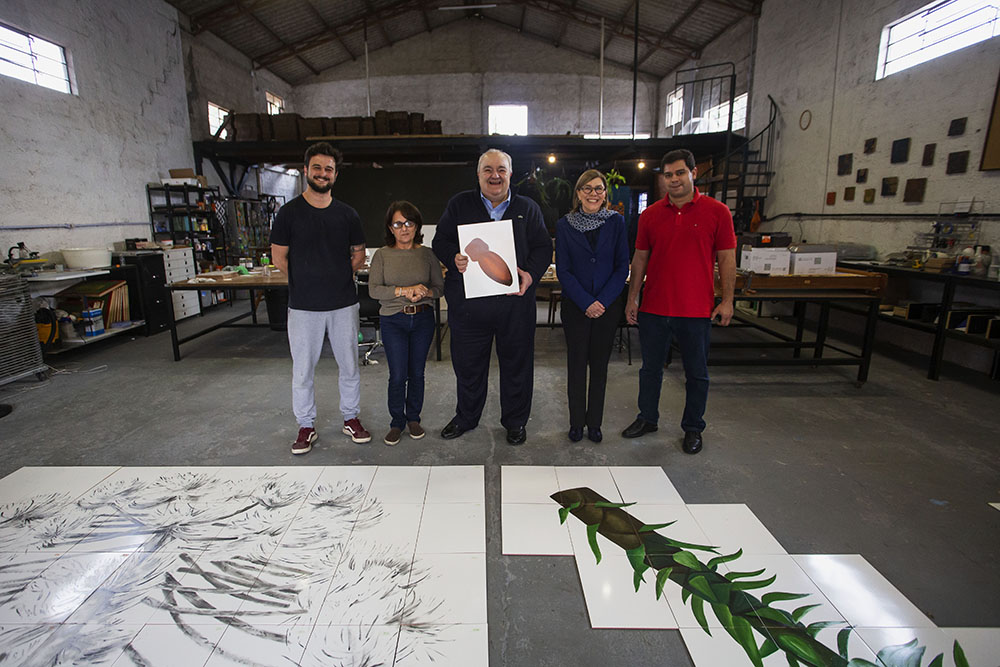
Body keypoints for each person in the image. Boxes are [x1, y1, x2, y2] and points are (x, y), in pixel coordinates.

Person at [432, 149, 553, 445]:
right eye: (488, 170)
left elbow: (542, 248)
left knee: (517, 366)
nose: (494, 175)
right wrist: (454, 257)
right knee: (468, 366)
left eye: (501, 169)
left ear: (510, 174)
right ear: (478, 174)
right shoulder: (460, 204)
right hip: (469, 306)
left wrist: (530, 275)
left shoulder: (528, 208)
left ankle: (515, 422)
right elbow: (440, 240)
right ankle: (466, 417)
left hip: (514, 304)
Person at [621, 149, 737, 455]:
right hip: (654, 309)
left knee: (696, 374)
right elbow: (640, 259)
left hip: (695, 311)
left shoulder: (717, 212)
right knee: (650, 370)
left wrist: (727, 300)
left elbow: (726, 259)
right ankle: (647, 418)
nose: (674, 180)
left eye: (680, 173)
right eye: (668, 175)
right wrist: (633, 298)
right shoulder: (651, 215)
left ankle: (693, 428)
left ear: (693, 173)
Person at [270, 142, 371, 455]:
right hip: (303, 308)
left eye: (328, 169)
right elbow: (279, 258)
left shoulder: (348, 215)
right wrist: (308, 279)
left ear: (335, 175)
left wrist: (334, 276)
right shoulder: (288, 214)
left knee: (349, 366)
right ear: (306, 171)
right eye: (317, 167)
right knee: (303, 370)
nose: (322, 173)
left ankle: (351, 418)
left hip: (343, 305)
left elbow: (358, 255)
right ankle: (305, 425)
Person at [555, 169, 629, 443]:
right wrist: (586, 302)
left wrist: (602, 302)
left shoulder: (616, 223)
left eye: (598, 189)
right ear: (578, 193)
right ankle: (576, 424)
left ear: (605, 193)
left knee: (600, 367)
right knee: (576, 366)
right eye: (587, 189)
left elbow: (622, 266)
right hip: (576, 307)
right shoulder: (565, 225)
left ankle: (594, 423)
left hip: (607, 307)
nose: (593, 194)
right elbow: (563, 270)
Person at [367, 201, 444, 446]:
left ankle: (413, 418)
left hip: (422, 319)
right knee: (398, 374)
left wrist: (424, 292)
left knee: (417, 373)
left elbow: (439, 288)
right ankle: (396, 422)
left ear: (417, 226)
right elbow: (374, 290)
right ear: (390, 228)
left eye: (409, 223)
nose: (404, 229)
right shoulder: (382, 255)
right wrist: (404, 290)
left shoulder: (427, 254)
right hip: (393, 321)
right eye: (398, 224)